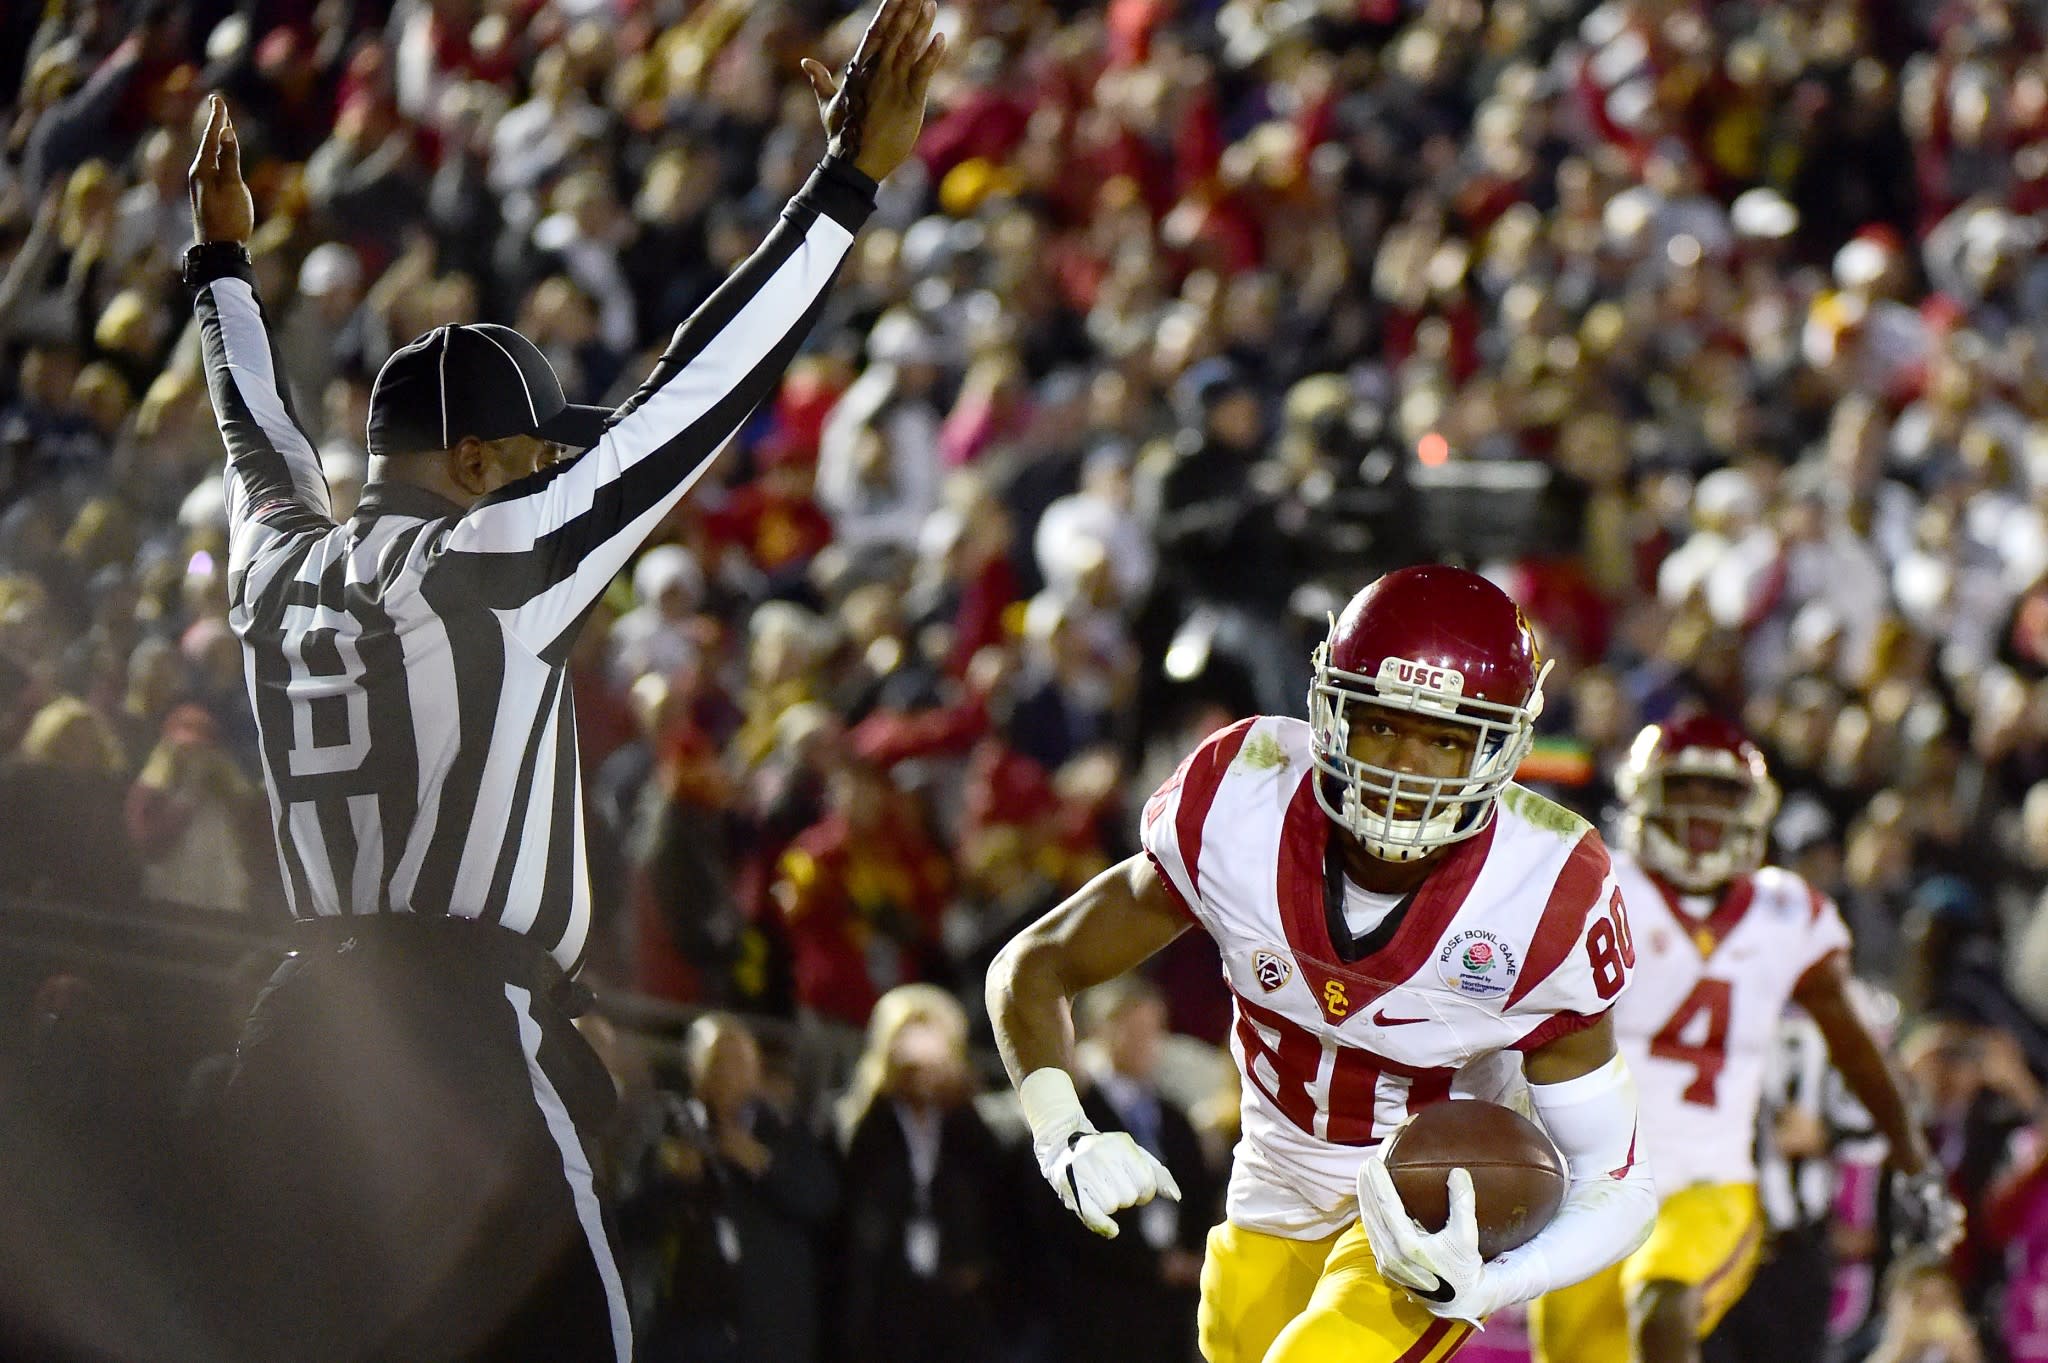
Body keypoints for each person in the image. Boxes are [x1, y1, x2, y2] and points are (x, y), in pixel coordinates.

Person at [179, 3, 942, 1357]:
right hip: (460, 1028)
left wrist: (221, 264)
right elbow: (698, 393)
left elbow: (257, 432)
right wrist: (844, 188)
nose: (552, 475)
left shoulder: (276, 563)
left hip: (300, 1032)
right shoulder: (496, 556)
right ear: (476, 465)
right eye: (533, 456)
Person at [988, 564, 1661, 1363]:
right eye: (1381, 723)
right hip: (1271, 1191)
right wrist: (1062, 1132)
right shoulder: (1245, 792)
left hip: (1417, 1218)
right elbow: (1035, 964)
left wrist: (1500, 1280)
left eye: (1447, 739)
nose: (1406, 767)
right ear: (1330, 708)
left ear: (1502, 746)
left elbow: (1619, 1183)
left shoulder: (1547, 889)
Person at [1530, 712, 1962, 1363]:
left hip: (1709, 1187)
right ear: (1645, 793)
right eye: (1685, 788)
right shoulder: (1597, 885)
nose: (1704, 810)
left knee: (1662, 1305)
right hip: (1585, 1189)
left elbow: (1855, 1047)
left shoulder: (1785, 910)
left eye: (1723, 793)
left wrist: (1913, 1159)